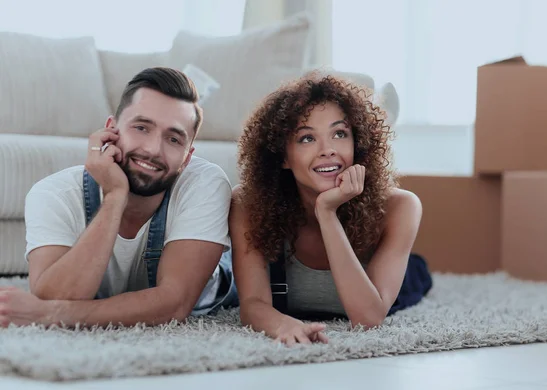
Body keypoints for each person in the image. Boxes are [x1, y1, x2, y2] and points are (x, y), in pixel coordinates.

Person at [0, 67, 237, 328]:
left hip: (216, 292)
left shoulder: (205, 182)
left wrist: (51, 315)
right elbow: (55, 296)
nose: (152, 150)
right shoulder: (53, 193)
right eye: (141, 127)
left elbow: (175, 303)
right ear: (111, 130)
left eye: (173, 139)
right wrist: (115, 196)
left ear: (187, 156)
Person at [229, 72, 433, 346]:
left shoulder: (401, 206)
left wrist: (326, 213)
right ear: (283, 157)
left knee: (416, 272)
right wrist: (283, 324)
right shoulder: (247, 203)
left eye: (339, 134)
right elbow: (253, 303)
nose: (328, 150)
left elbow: (369, 318)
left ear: (357, 143)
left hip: (399, 278)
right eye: (306, 138)